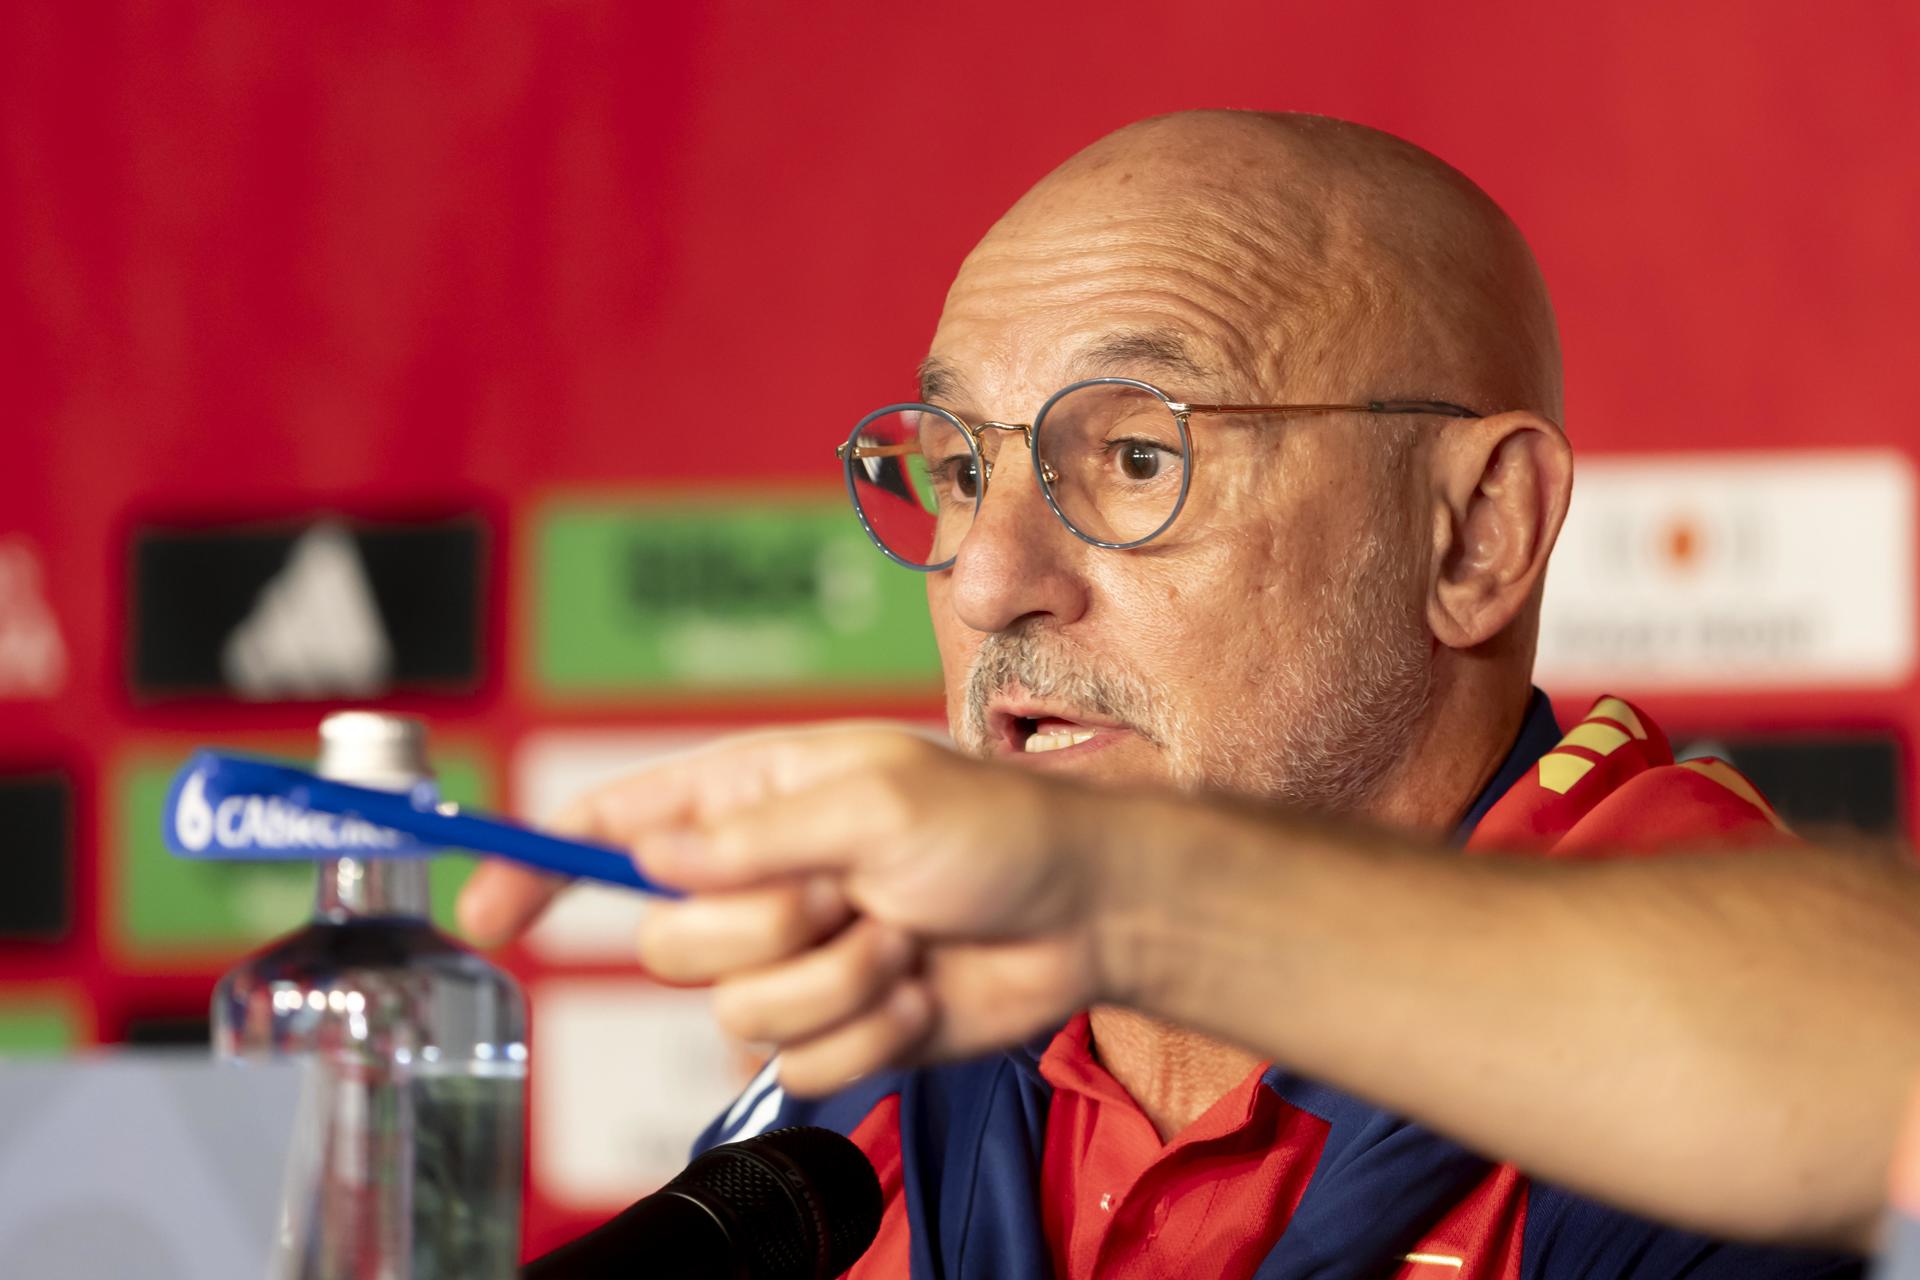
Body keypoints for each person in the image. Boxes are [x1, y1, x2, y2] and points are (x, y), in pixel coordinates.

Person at [462, 112, 1884, 1277]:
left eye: (1139, 460)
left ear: (1476, 534)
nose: (985, 579)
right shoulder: (863, 1103)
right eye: (961, 471)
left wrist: (1131, 897)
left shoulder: (1731, 1051)